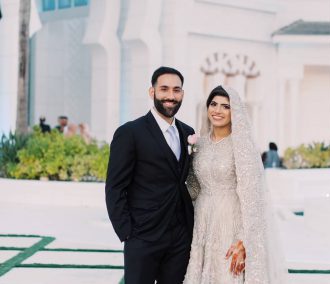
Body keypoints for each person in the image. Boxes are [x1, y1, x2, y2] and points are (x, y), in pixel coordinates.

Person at [184, 86, 287, 284]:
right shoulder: (199, 145)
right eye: (213, 104)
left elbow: (253, 196)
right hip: (201, 221)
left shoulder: (242, 146)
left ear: (235, 112)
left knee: (226, 273)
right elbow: (194, 188)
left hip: (230, 222)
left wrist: (244, 239)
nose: (218, 110)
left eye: (225, 106)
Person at [105, 67, 195, 284]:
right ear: (152, 91)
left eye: (176, 90)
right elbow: (115, 186)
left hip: (180, 237)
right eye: (164, 89)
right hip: (142, 236)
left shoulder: (188, 133)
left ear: (182, 94)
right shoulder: (130, 132)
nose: (170, 96)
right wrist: (126, 232)